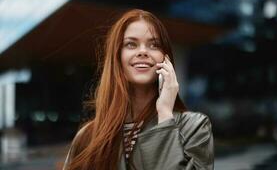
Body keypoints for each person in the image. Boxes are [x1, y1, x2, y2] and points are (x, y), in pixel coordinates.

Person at [62, 9, 214, 170]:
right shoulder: (87, 136)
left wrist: (164, 113)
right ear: (117, 58)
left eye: (154, 44)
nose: (143, 51)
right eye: (131, 44)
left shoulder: (194, 126)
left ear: (166, 58)